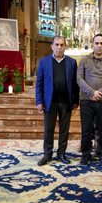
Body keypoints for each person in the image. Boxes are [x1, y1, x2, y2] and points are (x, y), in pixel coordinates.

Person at [36, 35, 79, 166]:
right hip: (50, 101)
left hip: (66, 102)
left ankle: (61, 153)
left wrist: (75, 100)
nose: (59, 48)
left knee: (64, 129)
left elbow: (75, 84)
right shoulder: (44, 62)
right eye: (57, 45)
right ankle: (47, 154)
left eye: (62, 45)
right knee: (48, 129)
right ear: (52, 46)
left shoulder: (72, 62)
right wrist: (39, 101)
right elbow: (39, 83)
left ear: (65, 46)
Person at [77, 33, 102, 168]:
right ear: (93, 44)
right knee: (86, 129)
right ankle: (85, 154)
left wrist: (101, 92)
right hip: (86, 100)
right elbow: (79, 78)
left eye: (101, 43)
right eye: (96, 43)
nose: (99, 46)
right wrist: (91, 92)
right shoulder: (84, 60)